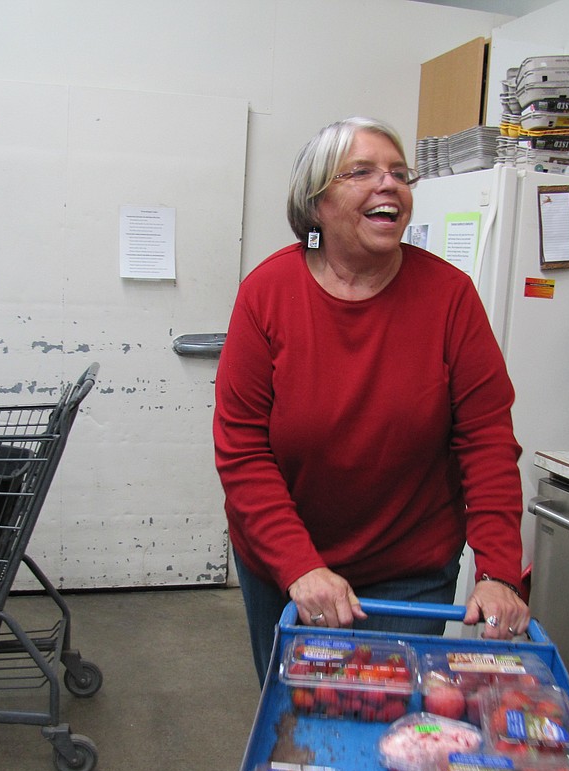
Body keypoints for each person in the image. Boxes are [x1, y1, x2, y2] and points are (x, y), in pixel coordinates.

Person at [214, 117, 528, 685]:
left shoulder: (450, 298)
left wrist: (499, 570)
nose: (390, 185)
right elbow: (242, 450)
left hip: (408, 567)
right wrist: (300, 565)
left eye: (400, 174)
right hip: (283, 559)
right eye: (362, 172)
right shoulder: (266, 294)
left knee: (392, 720)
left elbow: (486, 443)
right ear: (316, 202)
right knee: (298, 710)